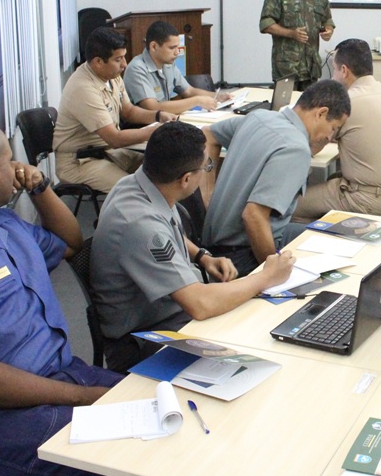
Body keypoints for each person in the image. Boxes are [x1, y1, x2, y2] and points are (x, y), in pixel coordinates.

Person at [0, 119, 192, 476]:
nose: (17, 168)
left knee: (184, 420)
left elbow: (71, 242)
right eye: (10, 160)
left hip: (58, 377)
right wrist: (82, 398)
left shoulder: (1, 223)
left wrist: (40, 188)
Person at [91, 122, 296, 373]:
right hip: (144, 338)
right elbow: (199, 304)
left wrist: (202, 256)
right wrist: (266, 278)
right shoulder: (139, 222)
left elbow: (163, 232)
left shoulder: (139, 184)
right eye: (206, 167)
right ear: (187, 179)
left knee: (256, 325)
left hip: (167, 312)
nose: (207, 171)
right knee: (257, 354)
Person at [202, 79, 350, 273]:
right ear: (321, 113)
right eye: (334, 128)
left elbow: (208, 134)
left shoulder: (259, 117)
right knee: (335, 261)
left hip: (214, 243)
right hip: (242, 254)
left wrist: (207, 193)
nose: (331, 137)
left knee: (325, 237)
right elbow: (254, 216)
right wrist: (273, 273)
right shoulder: (295, 149)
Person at [292, 38, 381, 223]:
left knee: (289, 207)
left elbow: (312, 146)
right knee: (332, 179)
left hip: (368, 202)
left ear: (344, 70)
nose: (333, 76)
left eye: (334, 69)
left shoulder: (349, 103)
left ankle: (318, 243)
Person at [53, 27, 176, 194]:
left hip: (107, 152)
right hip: (81, 162)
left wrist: (158, 116)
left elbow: (129, 111)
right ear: (98, 62)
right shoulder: (83, 88)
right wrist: (153, 132)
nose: (125, 64)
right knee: (135, 192)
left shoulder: (112, 76)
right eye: (118, 59)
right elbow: (114, 139)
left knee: (165, 168)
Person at [259, 0, 335, 90]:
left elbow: (327, 20)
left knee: (310, 109)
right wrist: (291, 33)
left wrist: (328, 31)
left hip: (311, 67)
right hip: (286, 67)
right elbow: (265, 24)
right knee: (283, 108)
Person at [123, 20, 231, 114]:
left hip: (164, 122)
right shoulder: (137, 68)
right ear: (154, 46)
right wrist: (196, 101)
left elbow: (189, 91)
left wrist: (217, 97)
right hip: (143, 127)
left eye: (178, 47)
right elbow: (152, 107)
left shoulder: (168, 64)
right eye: (172, 48)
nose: (177, 53)